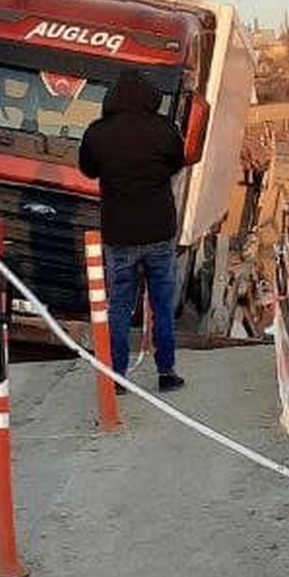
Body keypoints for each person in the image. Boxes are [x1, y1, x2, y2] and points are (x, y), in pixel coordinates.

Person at [78, 70, 187, 392]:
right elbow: (177, 163)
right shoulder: (164, 130)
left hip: (119, 234)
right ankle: (166, 372)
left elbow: (87, 169)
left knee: (120, 307)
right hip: (159, 230)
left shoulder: (98, 133)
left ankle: (117, 377)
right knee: (162, 305)